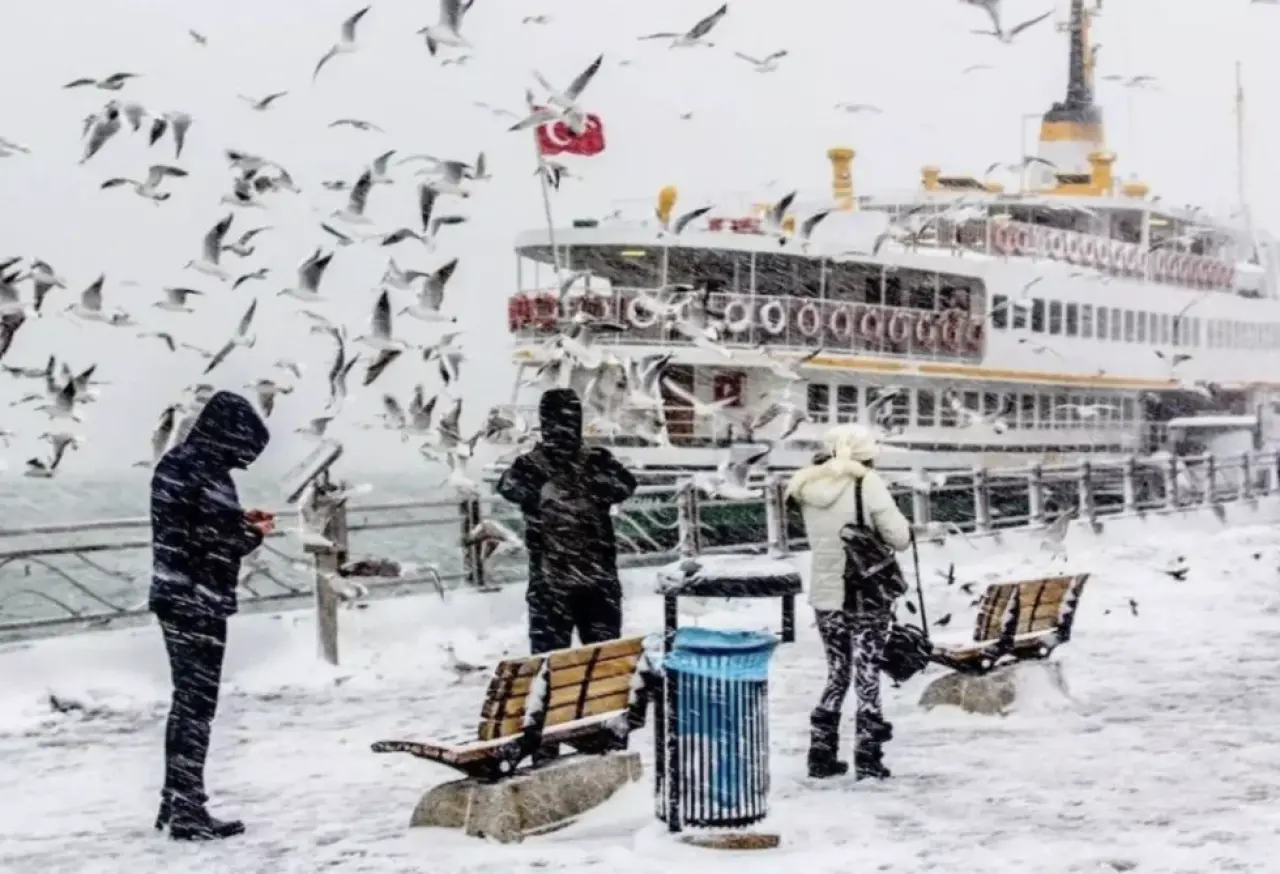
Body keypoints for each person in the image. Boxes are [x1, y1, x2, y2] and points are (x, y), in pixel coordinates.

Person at [149, 391, 272, 840]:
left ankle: (175, 798)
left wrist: (236, 518)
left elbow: (190, 526)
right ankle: (187, 810)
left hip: (175, 595)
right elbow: (216, 542)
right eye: (243, 449)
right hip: (198, 601)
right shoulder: (206, 470)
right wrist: (252, 533)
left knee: (187, 702)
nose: (244, 461)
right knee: (196, 706)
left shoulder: (179, 463)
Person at [786, 423, 911, 781]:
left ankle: (821, 754)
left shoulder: (806, 486)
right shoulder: (865, 482)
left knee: (838, 672)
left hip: (826, 594)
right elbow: (899, 537)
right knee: (867, 672)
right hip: (865, 592)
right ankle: (868, 757)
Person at [497, 388, 637, 654]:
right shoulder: (599, 461)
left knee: (548, 665)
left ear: (543, 422)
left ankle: (550, 695)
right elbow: (627, 486)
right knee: (603, 661)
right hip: (599, 583)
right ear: (579, 420)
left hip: (549, 586)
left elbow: (507, 488)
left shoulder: (527, 467)